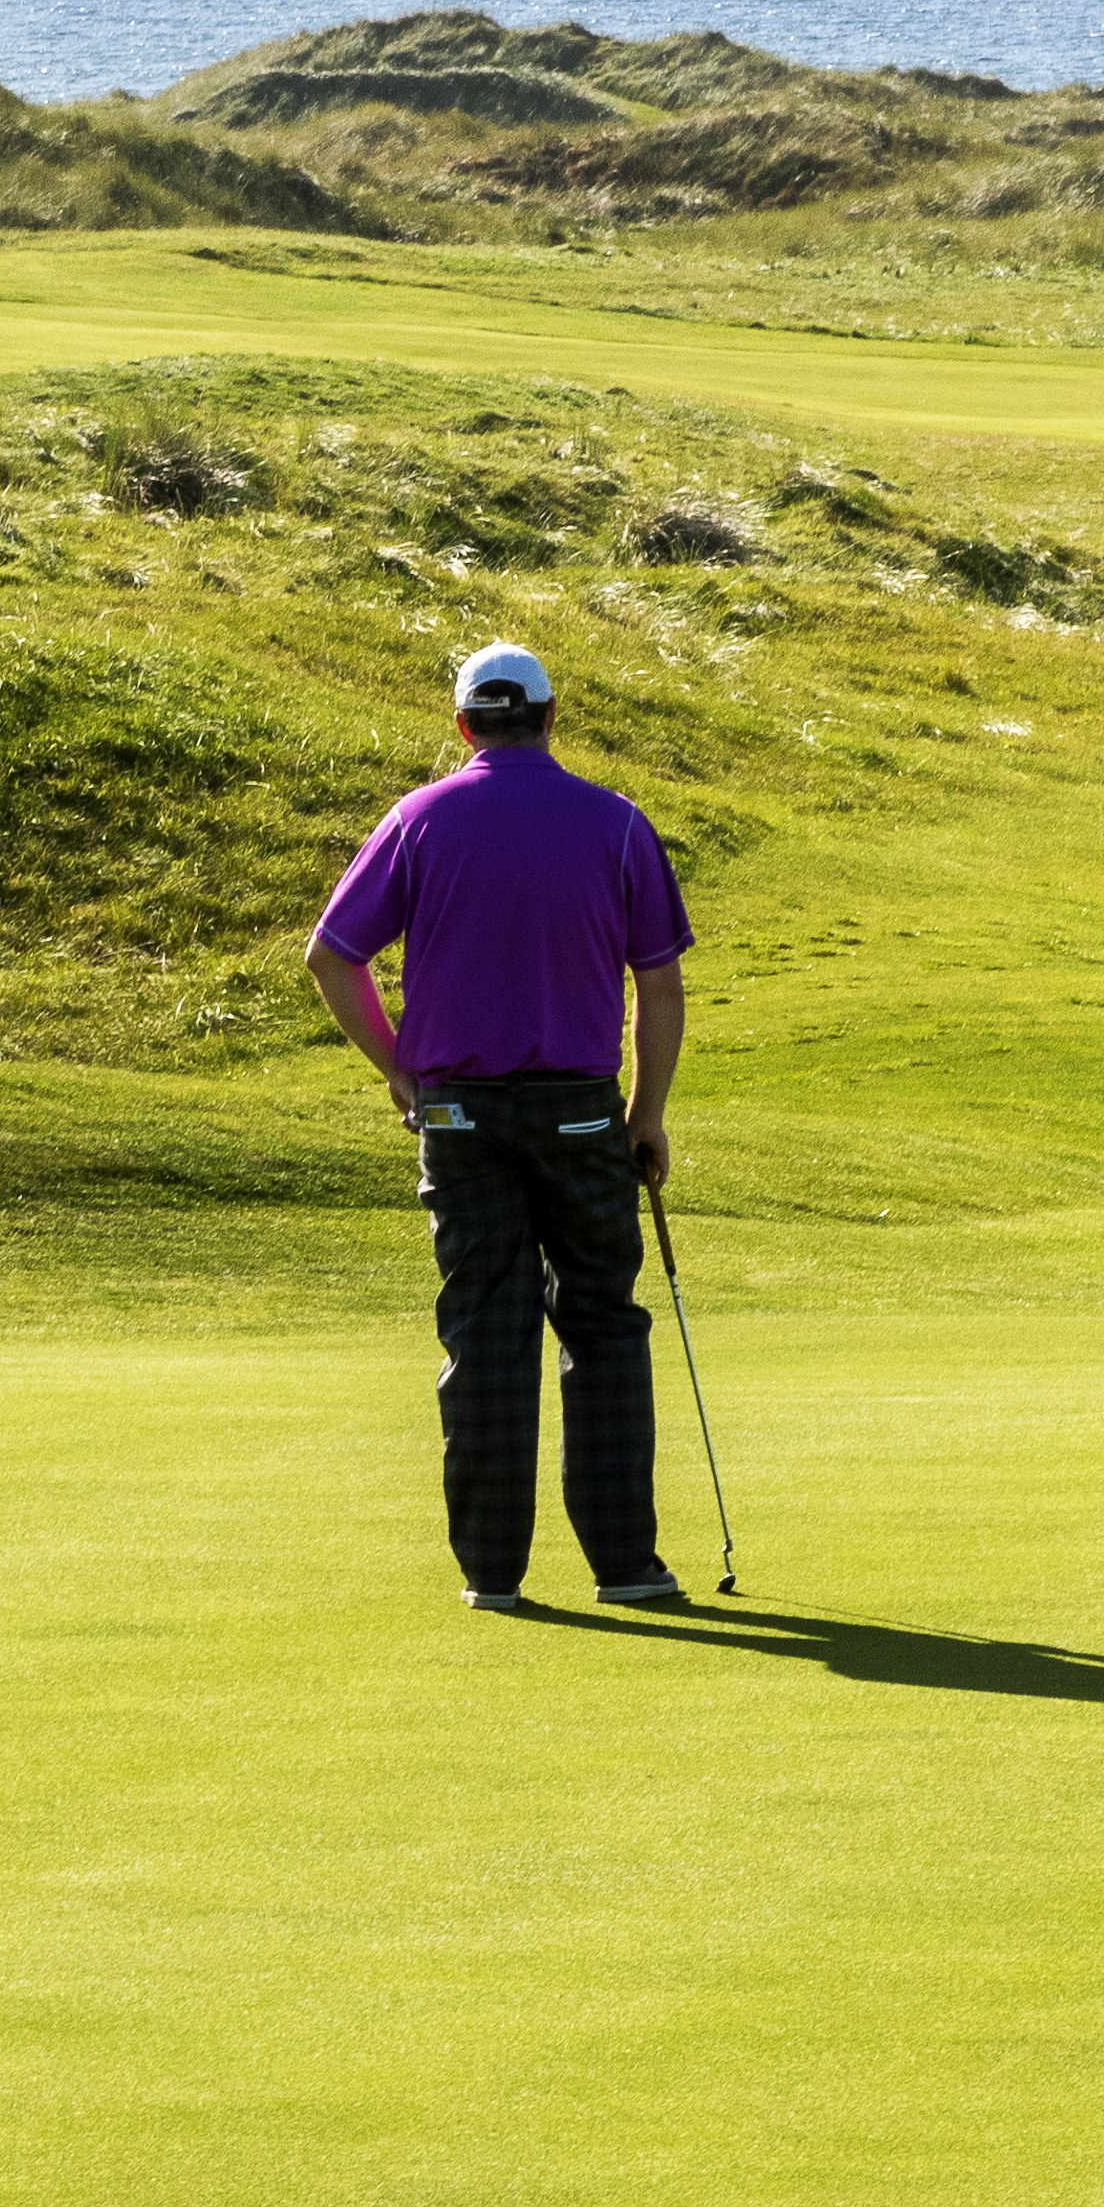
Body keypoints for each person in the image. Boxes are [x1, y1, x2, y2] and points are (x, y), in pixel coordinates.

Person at [303, 640, 696, 1615]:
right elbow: (658, 982)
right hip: (577, 1111)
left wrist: (399, 1070)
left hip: (459, 1113)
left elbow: (332, 957)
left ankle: (493, 1574)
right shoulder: (614, 825)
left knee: (487, 1330)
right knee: (601, 1325)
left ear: (463, 723)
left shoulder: (419, 819)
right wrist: (644, 1116)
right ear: (552, 717)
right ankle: (625, 1566)